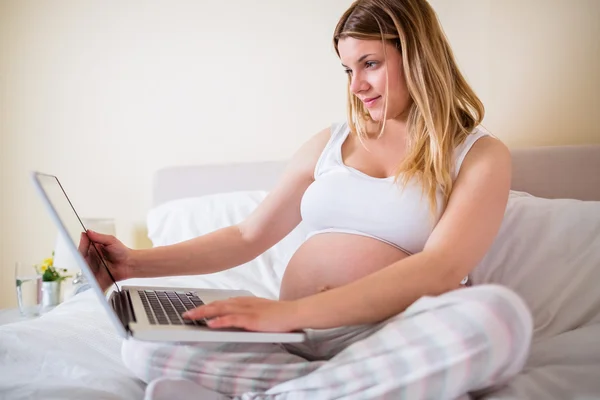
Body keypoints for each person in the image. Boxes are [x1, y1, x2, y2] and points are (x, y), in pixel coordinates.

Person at [81, 0, 533, 398]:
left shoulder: (477, 154)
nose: (356, 86)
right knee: (141, 348)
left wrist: (286, 312)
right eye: (348, 69)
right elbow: (246, 235)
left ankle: (282, 393)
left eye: (370, 63)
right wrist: (131, 264)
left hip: (391, 336)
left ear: (416, 53)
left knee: (498, 318)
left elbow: (441, 268)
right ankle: (326, 388)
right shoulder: (332, 141)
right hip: (294, 339)